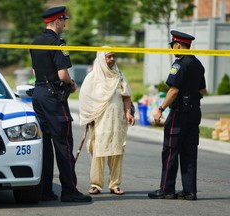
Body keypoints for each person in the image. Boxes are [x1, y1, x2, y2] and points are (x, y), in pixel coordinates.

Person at [29, 6, 92, 203]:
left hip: (38, 93)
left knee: (45, 145)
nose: (66, 24)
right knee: (63, 144)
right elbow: (62, 74)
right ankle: (69, 190)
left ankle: (45, 190)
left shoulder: (36, 42)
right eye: (64, 20)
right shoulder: (58, 42)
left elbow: (34, 71)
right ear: (57, 21)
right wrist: (72, 85)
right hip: (53, 96)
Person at [148, 30, 207, 201]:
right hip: (195, 111)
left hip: (179, 113)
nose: (173, 48)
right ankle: (189, 191)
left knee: (170, 151)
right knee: (189, 152)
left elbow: (173, 90)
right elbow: (202, 89)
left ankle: (167, 189)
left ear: (178, 45)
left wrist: (160, 108)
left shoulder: (179, 64)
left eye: (173, 45)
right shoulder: (197, 63)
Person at [79, 48, 135, 195]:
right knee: (98, 153)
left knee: (116, 152)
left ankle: (115, 184)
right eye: (108, 57)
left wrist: (128, 113)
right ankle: (96, 185)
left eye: (113, 56)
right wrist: (88, 116)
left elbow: (126, 96)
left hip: (117, 121)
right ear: (101, 59)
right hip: (99, 122)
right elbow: (85, 98)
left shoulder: (119, 76)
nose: (111, 59)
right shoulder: (93, 77)